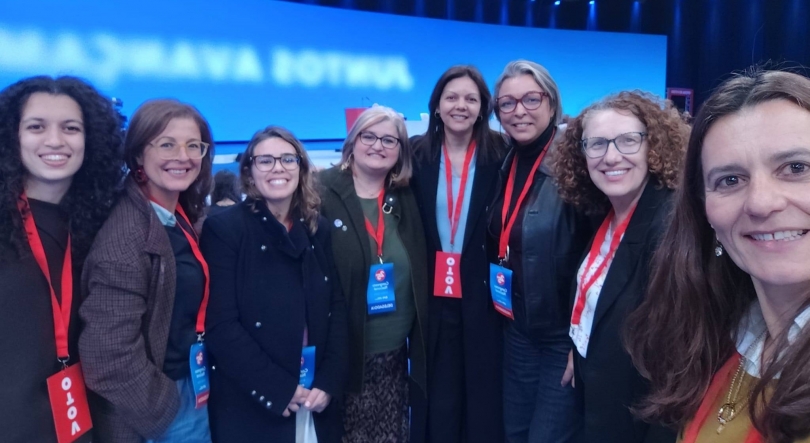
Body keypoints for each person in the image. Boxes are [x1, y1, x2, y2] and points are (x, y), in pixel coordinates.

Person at [627, 69, 810, 443]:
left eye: (796, 168)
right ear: (705, 212)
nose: (761, 202)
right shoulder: (720, 338)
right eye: (730, 180)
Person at [554, 91, 689, 443]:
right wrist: (580, 349)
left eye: (628, 140)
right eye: (597, 144)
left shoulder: (669, 227)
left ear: (653, 146)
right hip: (601, 397)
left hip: (641, 419)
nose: (611, 156)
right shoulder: (608, 213)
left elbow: (679, 364)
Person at [200, 126, 348, 442]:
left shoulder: (316, 228)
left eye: (287, 159)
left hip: (314, 398)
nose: (278, 168)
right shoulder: (224, 230)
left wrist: (329, 380)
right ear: (249, 173)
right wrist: (276, 389)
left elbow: (335, 308)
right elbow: (221, 326)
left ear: (301, 169)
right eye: (265, 160)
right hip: (257, 402)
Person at [79, 99, 214, 443]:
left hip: (191, 384)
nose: (183, 156)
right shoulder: (126, 238)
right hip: (166, 409)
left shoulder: (175, 214)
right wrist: (164, 408)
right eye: (167, 144)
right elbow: (107, 355)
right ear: (139, 154)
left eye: (193, 145)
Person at [0, 76, 125, 443]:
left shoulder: (101, 225)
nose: (55, 141)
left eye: (71, 128)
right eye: (36, 127)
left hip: (79, 425)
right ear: (11, 136)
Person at [486, 60, 592, 443]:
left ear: (551, 102)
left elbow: (602, 257)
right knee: (514, 432)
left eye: (531, 99)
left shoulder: (577, 163)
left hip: (562, 336)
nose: (519, 111)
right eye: (508, 103)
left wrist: (583, 343)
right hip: (518, 329)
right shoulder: (508, 160)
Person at [318, 106, 429, 443]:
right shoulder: (320, 192)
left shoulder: (406, 195)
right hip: (342, 352)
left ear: (400, 151)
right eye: (369, 136)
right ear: (352, 142)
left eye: (389, 140)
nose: (378, 145)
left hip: (395, 353)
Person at [410, 65, 507, 443]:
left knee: (481, 394)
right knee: (440, 395)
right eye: (451, 97)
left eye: (471, 98)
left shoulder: (502, 153)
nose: (460, 106)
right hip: (432, 295)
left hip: (482, 294)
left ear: (483, 107)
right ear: (436, 105)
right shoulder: (415, 154)